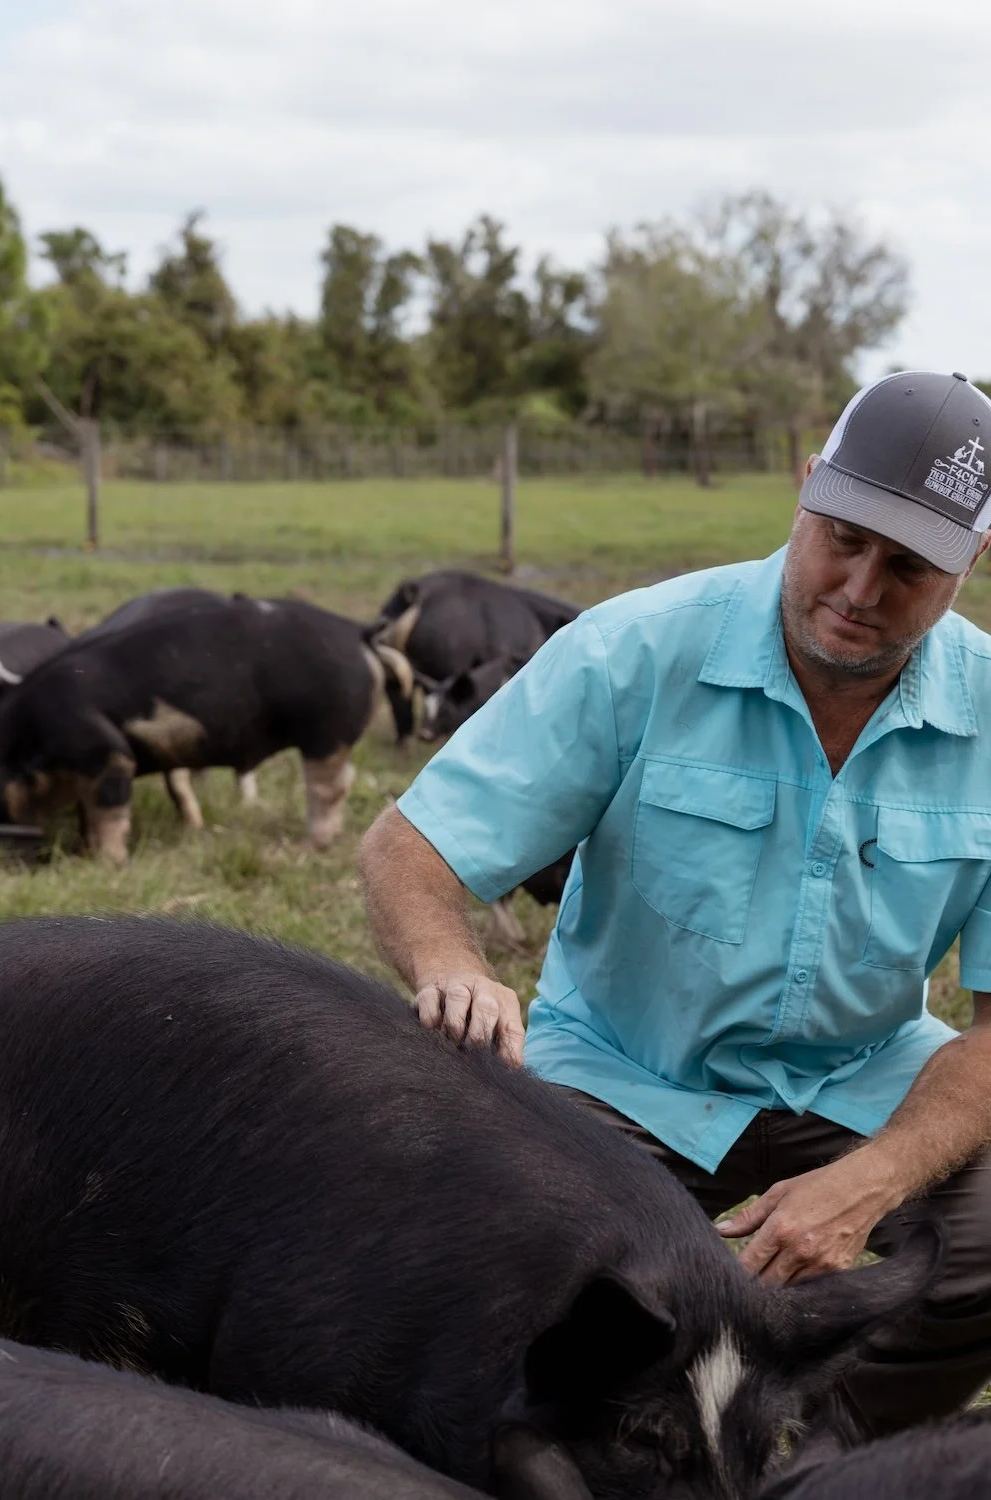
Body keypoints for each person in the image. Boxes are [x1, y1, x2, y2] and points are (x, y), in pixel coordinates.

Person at [358, 370, 991, 1437]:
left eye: (908, 567)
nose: (858, 588)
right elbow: (408, 847)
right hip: (625, 1077)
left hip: (860, 1076)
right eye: (842, 539)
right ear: (806, 487)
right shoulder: (635, 649)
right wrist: (452, 966)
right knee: (505, 1269)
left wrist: (876, 1178)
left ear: (971, 563)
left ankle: (813, 1461)